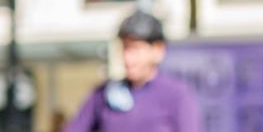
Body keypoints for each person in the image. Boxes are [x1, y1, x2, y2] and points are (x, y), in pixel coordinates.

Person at [64, 10, 200, 132]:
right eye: (125, 48)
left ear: (158, 50)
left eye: (135, 49)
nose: (127, 57)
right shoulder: (102, 94)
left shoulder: (177, 95)